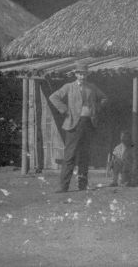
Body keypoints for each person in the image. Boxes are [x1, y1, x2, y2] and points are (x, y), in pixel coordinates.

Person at [49, 61, 108, 193]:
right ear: (75, 74)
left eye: (84, 74)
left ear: (87, 75)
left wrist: (95, 109)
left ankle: (82, 185)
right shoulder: (69, 87)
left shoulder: (92, 87)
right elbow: (54, 97)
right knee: (69, 156)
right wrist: (65, 110)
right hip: (73, 125)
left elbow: (104, 98)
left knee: (84, 155)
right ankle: (63, 187)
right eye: (80, 74)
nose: (82, 76)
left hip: (88, 124)